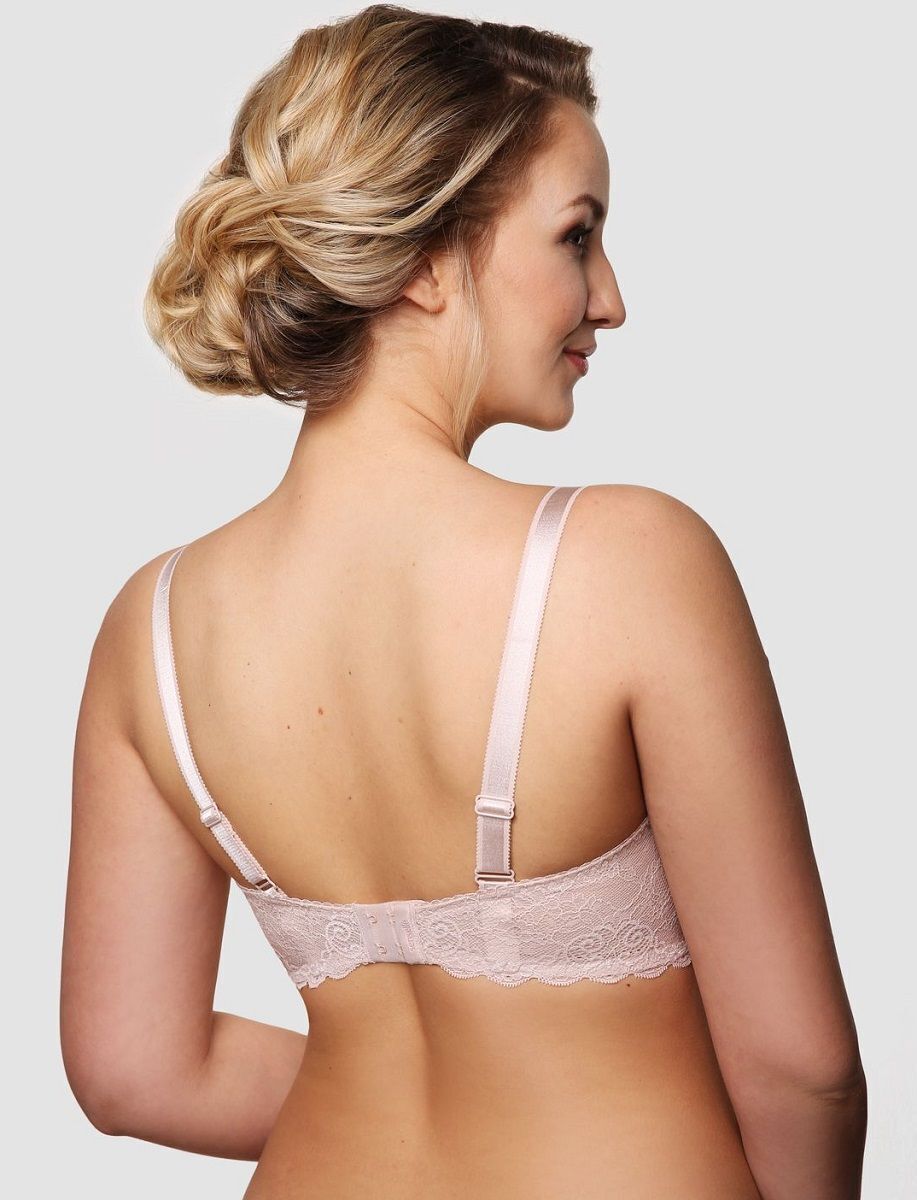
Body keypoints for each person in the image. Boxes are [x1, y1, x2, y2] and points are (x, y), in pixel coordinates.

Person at [60, 5, 866, 1196]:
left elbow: (135, 1069)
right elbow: (801, 1070)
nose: (608, 298)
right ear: (427, 262)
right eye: (576, 236)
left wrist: (419, 1109)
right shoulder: (625, 562)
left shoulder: (156, 629)